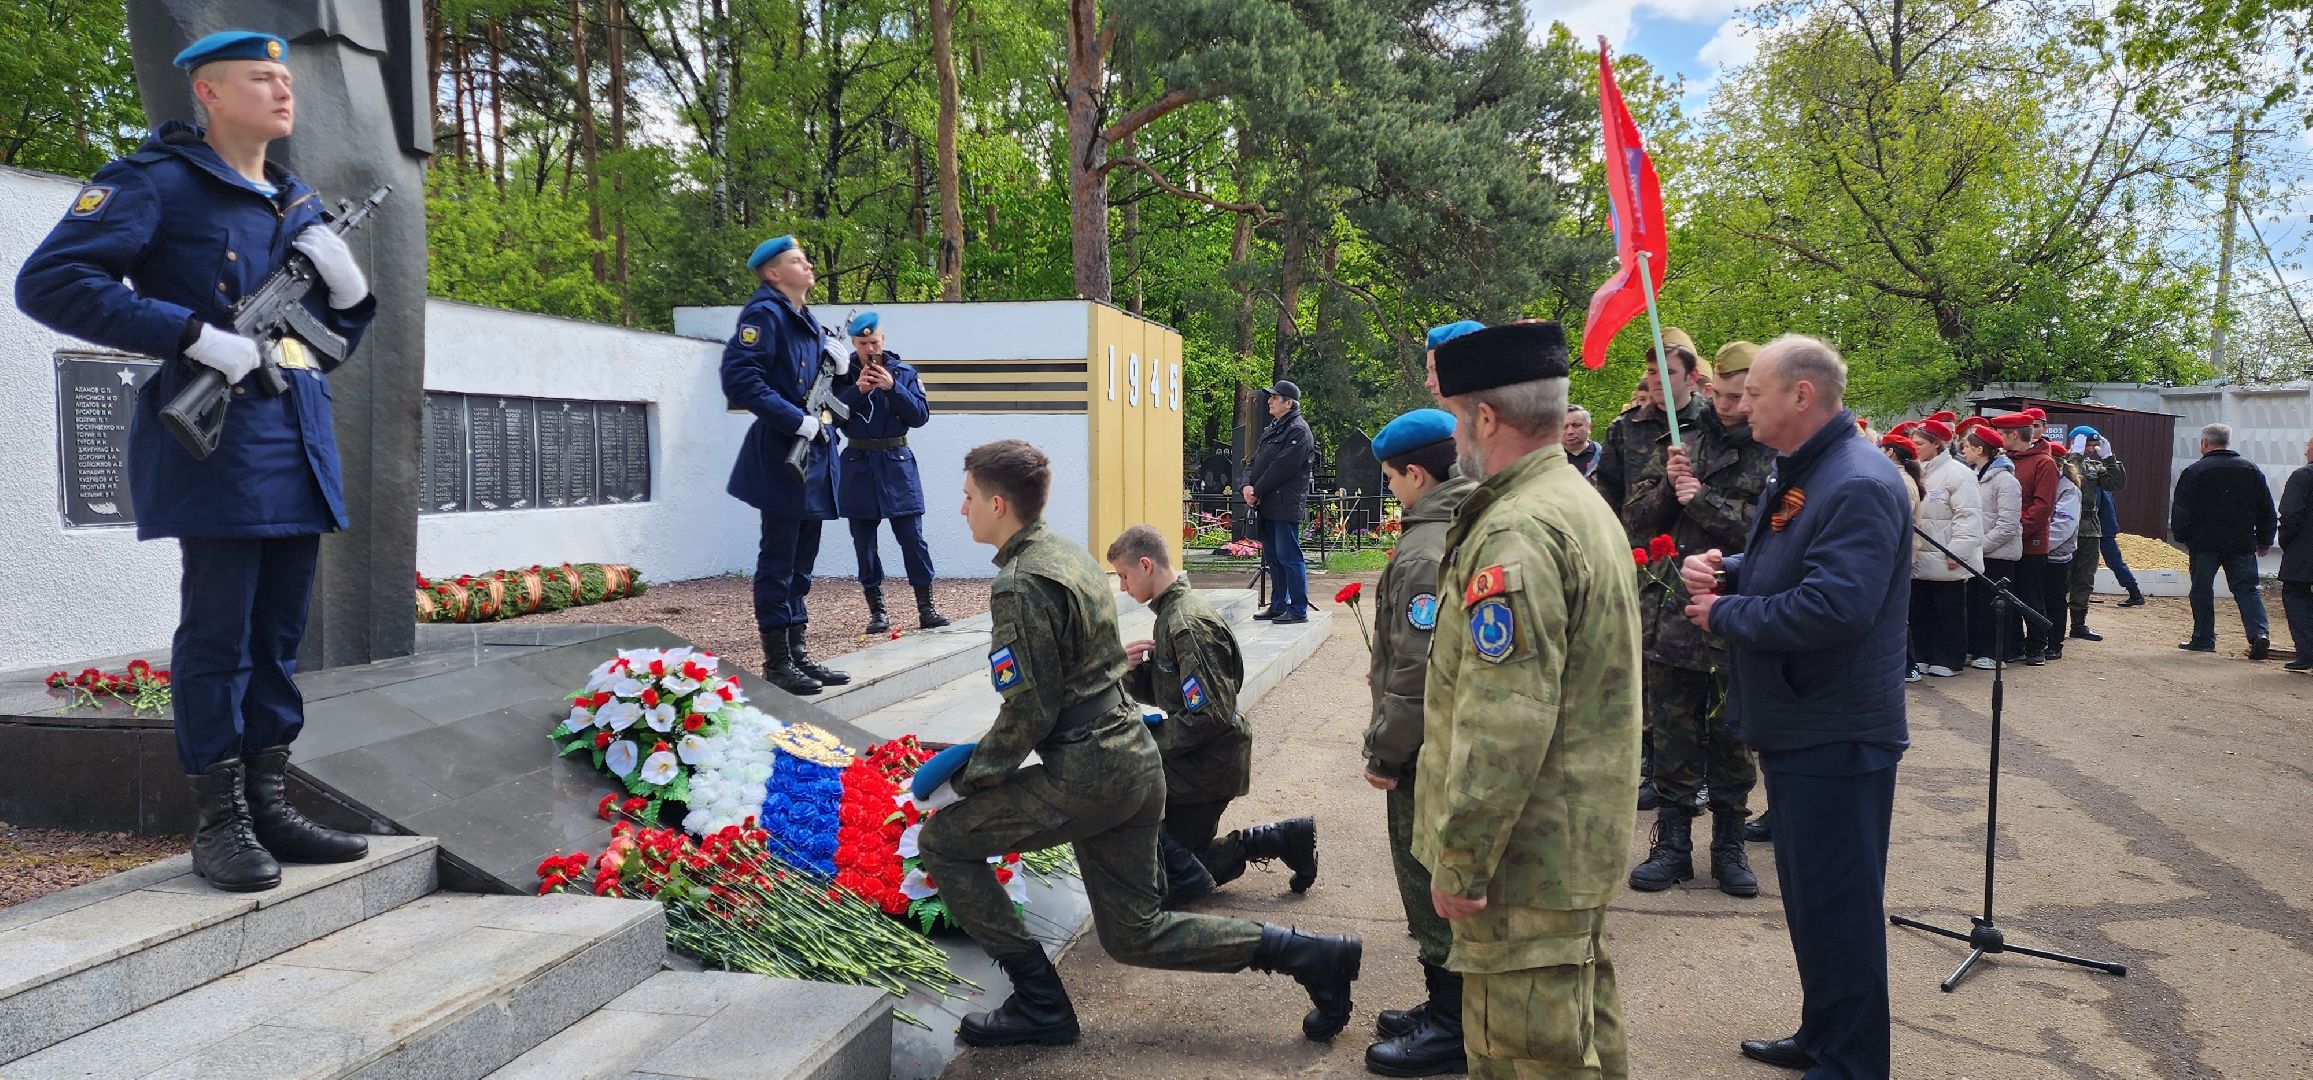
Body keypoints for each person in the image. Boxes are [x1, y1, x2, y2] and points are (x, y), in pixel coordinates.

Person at [15, 30, 376, 893]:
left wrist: (353, 294)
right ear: (208, 92)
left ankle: (269, 803)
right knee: (220, 637)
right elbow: (51, 282)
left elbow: (324, 348)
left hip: (297, 443)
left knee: (278, 639)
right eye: (261, 77)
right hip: (218, 451)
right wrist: (189, 334)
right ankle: (221, 823)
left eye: (286, 78)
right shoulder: (156, 182)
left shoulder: (296, 198)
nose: (283, 91)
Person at [918, 440, 1359, 1049]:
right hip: (1130, 761)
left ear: (998, 504)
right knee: (1134, 933)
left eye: (968, 496)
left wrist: (969, 780)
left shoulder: (1019, 583)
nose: (961, 507)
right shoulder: (1067, 557)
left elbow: (1030, 708)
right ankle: (1312, 956)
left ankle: (1040, 1003)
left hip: (1087, 772)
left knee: (942, 840)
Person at [1678, 335, 1911, 1078]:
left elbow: (1835, 607)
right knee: (1815, 904)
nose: (1740, 404)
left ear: (1800, 395)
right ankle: (1824, 1036)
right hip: (1805, 722)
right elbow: (1792, 560)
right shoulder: (1810, 469)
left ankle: (1851, 1064)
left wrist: (1724, 613)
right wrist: (1728, 566)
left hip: (1835, 731)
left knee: (1839, 907)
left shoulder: (1856, 481)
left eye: (1754, 392)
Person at [1421, 322, 1642, 1078]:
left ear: (1485, 418)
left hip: (1526, 858)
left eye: (1456, 418)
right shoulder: (1572, 500)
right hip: (1564, 840)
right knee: (1577, 1034)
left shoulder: (1516, 529)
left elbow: (1504, 723)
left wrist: (1461, 861)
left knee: (1524, 1055)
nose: (1455, 436)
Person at [1623, 338, 1772, 898]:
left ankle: (1729, 847)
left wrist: (1702, 499)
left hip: (1737, 615)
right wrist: (1669, 483)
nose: (1733, 407)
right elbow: (1636, 520)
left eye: (1743, 396)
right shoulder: (1679, 441)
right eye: (1725, 395)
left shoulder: (1774, 451)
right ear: (1710, 389)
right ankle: (1673, 845)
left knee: (1733, 739)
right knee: (1672, 736)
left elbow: (1772, 535)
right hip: (1673, 616)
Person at [1110, 525, 1319, 909]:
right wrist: (1129, 672)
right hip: (1200, 757)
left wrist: (1145, 745)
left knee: (1162, 879)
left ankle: (1278, 840)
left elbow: (1211, 715)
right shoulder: (1171, 613)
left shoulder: (1186, 623)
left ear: (1145, 565)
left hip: (1206, 765)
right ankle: (1285, 838)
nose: (1122, 587)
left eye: (1124, 576)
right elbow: (1175, 692)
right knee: (1162, 866)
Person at [1359, 407, 1479, 1076]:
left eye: (1390, 478)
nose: (1390, 490)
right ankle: (1447, 1004)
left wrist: (1386, 750)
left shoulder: (1426, 546)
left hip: (1426, 749)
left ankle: (1451, 1022)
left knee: (1425, 873)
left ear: (1416, 474)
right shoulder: (1464, 520)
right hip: (1453, 740)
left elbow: (1416, 668)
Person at [721, 235, 852, 695]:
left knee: (802, 563)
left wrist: (842, 370)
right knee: (779, 561)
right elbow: (740, 379)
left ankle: (798, 653)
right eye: (798, 260)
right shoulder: (765, 315)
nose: (809, 265)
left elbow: (824, 391)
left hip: (813, 456)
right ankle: (777, 663)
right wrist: (795, 419)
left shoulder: (809, 322)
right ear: (773, 273)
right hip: (783, 454)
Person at [832, 311, 948, 634]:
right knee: (864, 544)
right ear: (853, 344)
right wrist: (856, 391)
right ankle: (877, 612)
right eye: (862, 344)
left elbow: (920, 416)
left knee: (913, 539)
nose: (869, 349)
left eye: (874, 342)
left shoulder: (904, 373)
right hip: (858, 465)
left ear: (883, 340)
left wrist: (893, 387)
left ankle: (926, 608)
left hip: (896, 464)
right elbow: (831, 418)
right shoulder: (840, 376)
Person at [2171, 423, 2277, 658]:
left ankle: (2204, 638)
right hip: (2241, 542)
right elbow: (2266, 509)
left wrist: (2183, 536)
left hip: (2204, 543)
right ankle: (2259, 634)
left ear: (2205, 442)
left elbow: (2181, 510)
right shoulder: (2250, 470)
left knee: (2202, 589)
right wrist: (2265, 539)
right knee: (2248, 589)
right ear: (2227, 442)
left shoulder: (2195, 471)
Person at [1595, 328, 1707, 522]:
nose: (1658, 379)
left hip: (1699, 535)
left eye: (1669, 372)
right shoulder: (1624, 428)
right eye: (1652, 372)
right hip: (1641, 535)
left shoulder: (1712, 422)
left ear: (1691, 377)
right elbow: (1608, 496)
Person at [1909, 419, 1983, 679]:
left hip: (1945, 552)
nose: (1915, 448)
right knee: (1921, 607)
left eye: (1920, 443)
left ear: (1937, 444)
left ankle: (1948, 658)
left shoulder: (1958, 474)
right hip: (1921, 552)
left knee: (1948, 608)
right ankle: (1923, 654)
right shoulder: (1917, 471)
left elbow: (1968, 516)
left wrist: (1957, 551)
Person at [1243, 380, 1316, 624]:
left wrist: (1257, 490)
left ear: (1289, 403)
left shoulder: (1298, 431)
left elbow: (1281, 467)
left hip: (1285, 504)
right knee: (1273, 557)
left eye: (1275, 397)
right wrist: (1246, 486)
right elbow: (1255, 461)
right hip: (1267, 503)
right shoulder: (1273, 428)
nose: (1269, 401)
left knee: (1289, 557)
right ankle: (1278, 605)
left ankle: (1298, 609)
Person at [1993, 413, 2058, 665]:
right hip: (2009, 540)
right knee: (2009, 596)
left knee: (2031, 596)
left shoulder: (2044, 463)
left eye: (2001, 433)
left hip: (2030, 543)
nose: (1999, 438)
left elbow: (2042, 505)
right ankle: (2014, 644)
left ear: (2014, 434)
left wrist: (2019, 530)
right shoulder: (2005, 460)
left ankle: (2036, 646)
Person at [1963, 428, 2024, 669]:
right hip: (1978, 553)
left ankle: (1994, 652)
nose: (1963, 451)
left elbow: (2008, 524)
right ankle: (1975, 648)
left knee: (1995, 606)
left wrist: (1981, 545)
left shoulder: (2005, 480)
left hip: (1998, 555)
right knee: (1975, 605)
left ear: (1980, 449)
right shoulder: (1973, 475)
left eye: (1967, 446)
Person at [2065, 427, 2127, 636]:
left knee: (2084, 579)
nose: (2091, 450)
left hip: (2090, 528)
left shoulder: (2093, 466)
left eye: (2094, 446)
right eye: (2087, 445)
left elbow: (2116, 483)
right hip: (2066, 526)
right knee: (2061, 578)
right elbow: (2073, 480)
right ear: (2073, 442)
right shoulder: (2063, 462)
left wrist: (2109, 458)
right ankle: (2053, 622)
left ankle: (2078, 624)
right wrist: (2075, 455)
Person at [2042, 445, 2083, 661]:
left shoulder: (2067, 489)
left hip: (2055, 555)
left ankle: (2054, 642)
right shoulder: (2045, 484)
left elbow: (2063, 525)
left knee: (2054, 600)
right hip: (2038, 552)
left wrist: (2041, 545)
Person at [2278, 433, 2313, 673]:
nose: (2305, 452)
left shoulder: (2303, 476)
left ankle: (2307, 653)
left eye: (2308, 447)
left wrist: (2286, 541)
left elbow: (2291, 514)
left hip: (2304, 550)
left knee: (2296, 596)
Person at [1563, 404, 1601, 478]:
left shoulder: (1606, 459)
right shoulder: (1546, 461)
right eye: (1564, 426)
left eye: (1576, 425)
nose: (1570, 431)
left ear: (1589, 427)